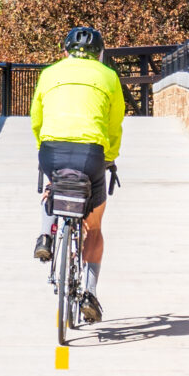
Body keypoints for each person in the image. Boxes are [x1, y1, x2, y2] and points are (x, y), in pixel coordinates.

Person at [29, 25, 124, 322]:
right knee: (93, 227)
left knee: (54, 181)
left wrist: (42, 151)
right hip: (90, 154)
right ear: (99, 53)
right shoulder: (109, 76)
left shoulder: (49, 74)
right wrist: (108, 159)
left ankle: (45, 235)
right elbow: (114, 125)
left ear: (65, 51)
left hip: (51, 150)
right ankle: (89, 293)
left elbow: (36, 119)